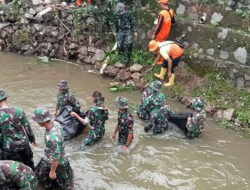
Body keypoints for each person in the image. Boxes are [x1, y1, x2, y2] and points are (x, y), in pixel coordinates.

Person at [32, 108, 73, 190]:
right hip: (60, 156)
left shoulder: (52, 137)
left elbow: (56, 156)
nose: (37, 122)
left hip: (57, 163)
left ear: (41, 122)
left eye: (37, 121)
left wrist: (52, 171)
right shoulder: (56, 124)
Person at [0, 89, 36, 170]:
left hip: (10, 148)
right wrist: (32, 139)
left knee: (15, 169)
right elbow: (27, 126)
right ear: (5, 98)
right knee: (30, 165)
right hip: (24, 145)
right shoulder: (18, 110)